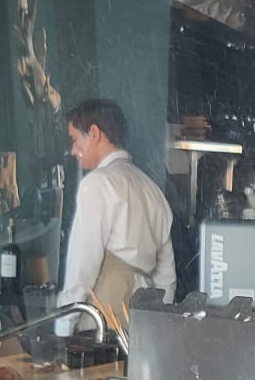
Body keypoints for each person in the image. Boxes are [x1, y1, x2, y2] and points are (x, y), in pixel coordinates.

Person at [58, 98, 176, 325]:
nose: (73, 150)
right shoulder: (153, 191)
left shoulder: (97, 184)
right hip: (142, 322)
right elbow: (166, 278)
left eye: (74, 139)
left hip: (104, 318)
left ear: (94, 133)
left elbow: (82, 266)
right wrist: (157, 327)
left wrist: (64, 325)